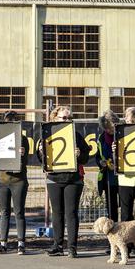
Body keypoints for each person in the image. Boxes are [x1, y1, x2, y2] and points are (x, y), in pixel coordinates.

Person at [38, 105, 91, 258]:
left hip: (73, 180)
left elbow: (86, 158)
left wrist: (79, 154)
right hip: (54, 178)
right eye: (63, 117)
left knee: (71, 213)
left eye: (69, 118)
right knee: (57, 213)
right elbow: (41, 160)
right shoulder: (47, 135)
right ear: (55, 118)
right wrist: (41, 152)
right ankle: (57, 245)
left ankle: (72, 247)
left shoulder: (77, 135)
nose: (66, 120)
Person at [0, 111, 29, 255]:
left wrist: (22, 154)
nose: (10, 124)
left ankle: (21, 244)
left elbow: (25, 162)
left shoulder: (22, 139)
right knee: (4, 212)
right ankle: (3, 244)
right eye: (8, 121)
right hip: (2, 180)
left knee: (19, 212)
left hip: (18, 181)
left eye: (13, 121)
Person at [115, 107, 135, 224]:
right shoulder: (121, 131)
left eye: (127, 116)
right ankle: (128, 241)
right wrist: (116, 149)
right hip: (125, 178)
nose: (125, 118)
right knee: (125, 213)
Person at [96, 110, 120, 224]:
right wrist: (101, 162)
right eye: (107, 128)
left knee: (125, 206)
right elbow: (98, 156)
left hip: (122, 176)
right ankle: (113, 229)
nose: (109, 130)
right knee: (111, 206)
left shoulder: (122, 134)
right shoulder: (101, 138)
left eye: (111, 127)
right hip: (108, 178)